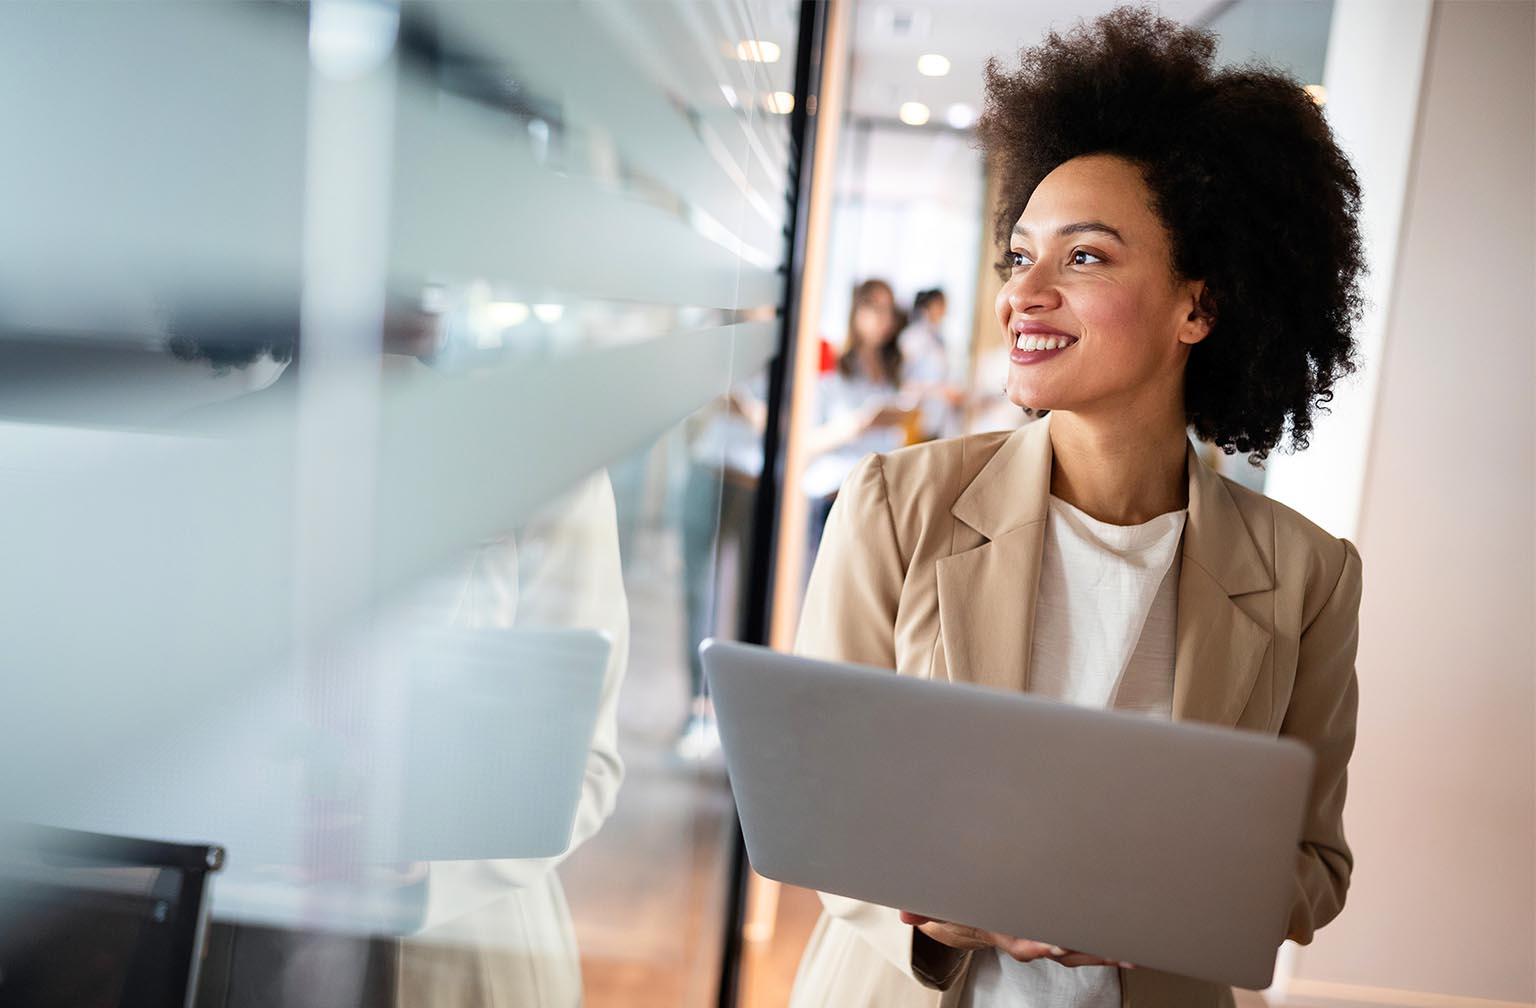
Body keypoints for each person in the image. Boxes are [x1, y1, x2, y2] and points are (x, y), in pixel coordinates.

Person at [787, 8, 1364, 1008]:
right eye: (1020, 256)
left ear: (1200, 306)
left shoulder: (1307, 574)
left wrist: (1146, 893)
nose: (1025, 293)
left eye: (1085, 257)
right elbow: (810, 802)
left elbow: (1315, 867)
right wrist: (943, 905)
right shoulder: (895, 505)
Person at [171, 298, 629, 1008]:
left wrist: (413, 882)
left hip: (462, 956)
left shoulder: (540, 465)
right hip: (244, 946)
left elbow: (584, 768)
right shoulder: (195, 463)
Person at [802, 279, 914, 560]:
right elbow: (805, 443)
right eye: (873, 307)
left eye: (888, 309)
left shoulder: (894, 373)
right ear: (855, 310)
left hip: (877, 504)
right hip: (833, 498)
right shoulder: (832, 367)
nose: (882, 318)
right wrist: (860, 424)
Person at [898, 288, 965, 440]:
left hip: (939, 419)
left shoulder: (939, 339)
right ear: (928, 306)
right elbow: (903, 381)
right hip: (916, 417)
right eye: (940, 304)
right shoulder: (912, 338)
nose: (945, 309)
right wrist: (940, 392)